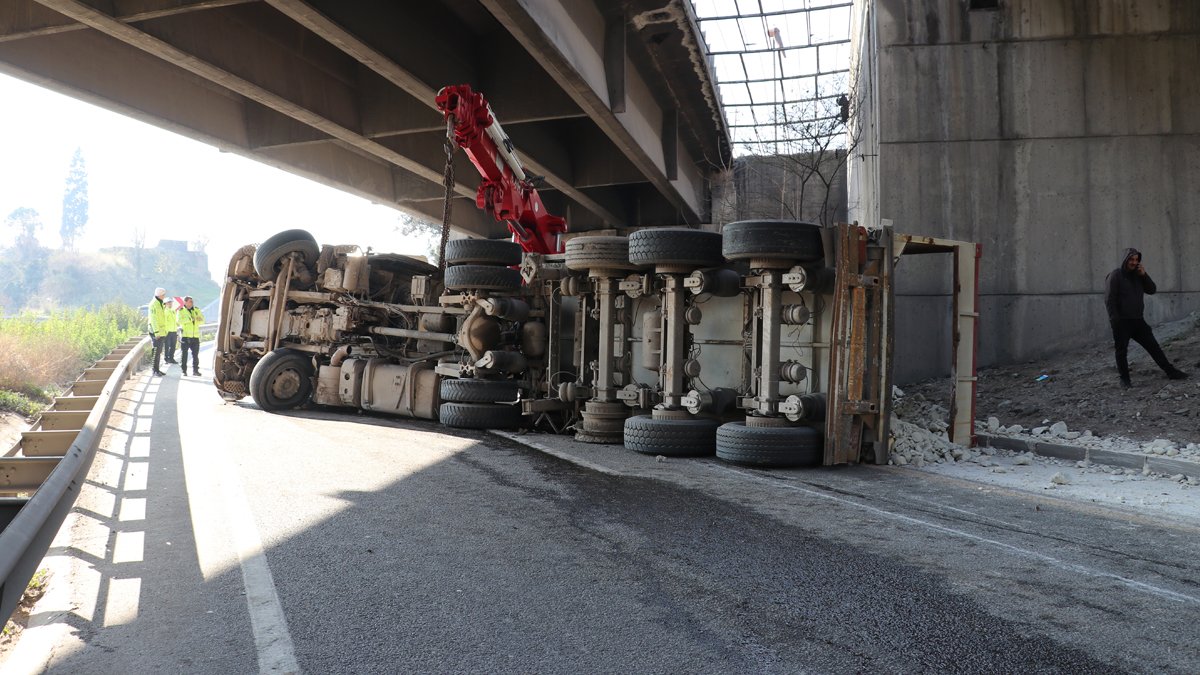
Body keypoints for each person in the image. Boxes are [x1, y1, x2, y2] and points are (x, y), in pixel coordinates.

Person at [1104, 248, 1188, 388]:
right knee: (1121, 351)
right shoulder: (1115, 275)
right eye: (1131, 259)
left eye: (1136, 260)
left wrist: (1144, 275)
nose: (1134, 262)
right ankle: (1125, 380)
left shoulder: (1138, 275)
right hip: (1122, 322)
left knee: (1153, 347)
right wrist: (1115, 321)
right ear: (1125, 260)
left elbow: (1152, 290)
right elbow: (1109, 300)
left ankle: (1171, 372)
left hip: (1138, 320)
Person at [176, 296, 204, 376]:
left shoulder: (196, 310)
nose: (192, 303)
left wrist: (197, 319)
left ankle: (195, 371)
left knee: (195, 355)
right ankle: (184, 370)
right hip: (185, 336)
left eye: (192, 301)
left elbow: (202, 320)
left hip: (195, 336)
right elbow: (179, 321)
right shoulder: (181, 311)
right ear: (185, 302)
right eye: (190, 301)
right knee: (184, 354)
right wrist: (191, 319)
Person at [148, 287, 171, 376]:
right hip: (156, 332)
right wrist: (157, 332)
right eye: (163, 294)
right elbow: (153, 319)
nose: (164, 296)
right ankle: (154, 370)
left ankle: (157, 369)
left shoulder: (160, 303)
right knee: (156, 351)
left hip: (161, 332)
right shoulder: (154, 304)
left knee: (159, 351)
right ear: (160, 295)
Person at [163, 297, 179, 364]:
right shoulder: (164, 311)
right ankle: (166, 359)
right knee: (167, 346)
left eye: (171, 302)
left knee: (173, 346)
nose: (170, 304)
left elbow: (175, 321)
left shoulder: (173, 311)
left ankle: (171, 358)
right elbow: (164, 322)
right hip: (167, 332)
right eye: (169, 303)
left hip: (174, 331)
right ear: (165, 304)